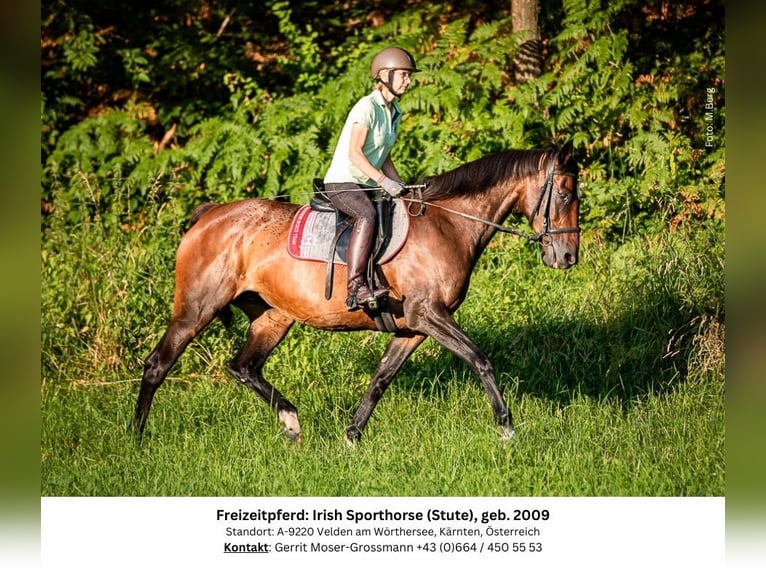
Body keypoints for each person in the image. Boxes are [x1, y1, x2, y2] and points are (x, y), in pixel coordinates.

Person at [323, 47, 418, 311]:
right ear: (385, 75)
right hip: (343, 182)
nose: (408, 81)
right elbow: (355, 153)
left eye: (409, 76)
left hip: (366, 183)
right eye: (403, 75)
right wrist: (383, 181)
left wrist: (401, 186)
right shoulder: (367, 107)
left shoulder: (394, 111)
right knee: (367, 215)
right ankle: (355, 288)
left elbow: (384, 156)